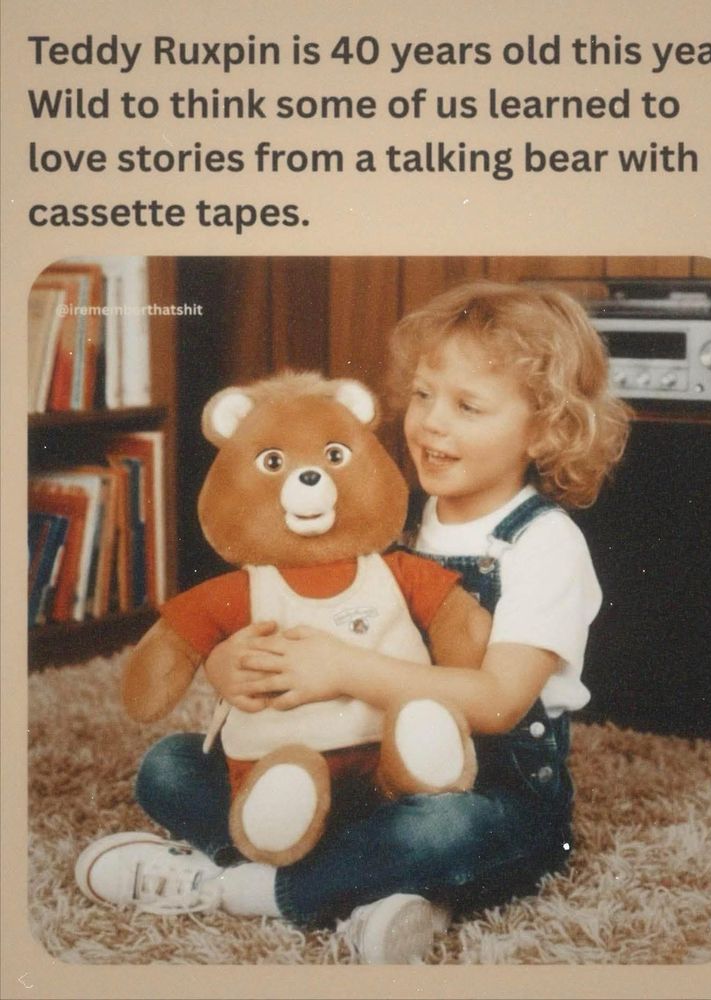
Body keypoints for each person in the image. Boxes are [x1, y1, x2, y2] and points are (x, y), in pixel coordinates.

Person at [75, 281, 631, 963]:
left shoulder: (543, 544)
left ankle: (242, 887)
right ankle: (365, 887)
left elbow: (496, 703)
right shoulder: (395, 519)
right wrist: (233, 665)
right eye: (424, 394)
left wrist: (341, 669)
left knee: (442, 833)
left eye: (467, 405)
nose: (429, 422)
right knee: (168, 769)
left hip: (492, 790)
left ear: (545, 428)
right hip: (363, 768)